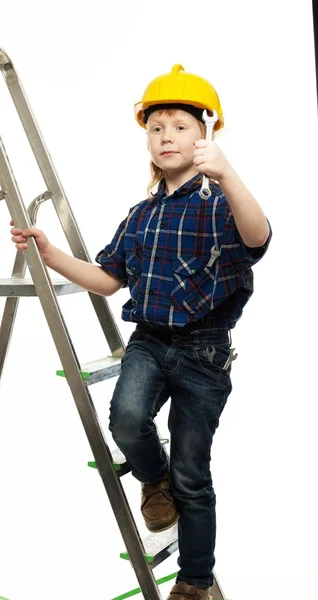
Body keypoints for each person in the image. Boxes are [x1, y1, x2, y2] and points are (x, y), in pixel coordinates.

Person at [10, 64, 272, 600]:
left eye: (180, 125)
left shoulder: (221, 201)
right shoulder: (141, 215)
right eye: (156, 128)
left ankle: (196, 584)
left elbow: (258, 239)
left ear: (206, 134)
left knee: (194, 476)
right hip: (150, 342)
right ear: (147, 142)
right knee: (127, 420)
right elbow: (107, 280)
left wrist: (229, 175)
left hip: (204, 355)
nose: (167, 136)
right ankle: (154, 480)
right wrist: (50, 252)